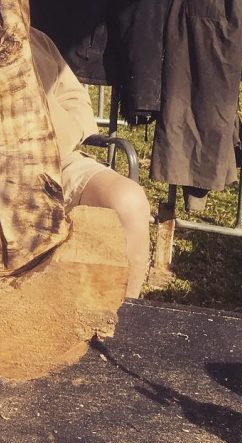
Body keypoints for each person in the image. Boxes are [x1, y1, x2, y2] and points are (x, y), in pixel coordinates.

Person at [30, 28, 152, 297]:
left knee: (129, 200)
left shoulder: (34, 38)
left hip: (58, 161)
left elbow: (77, 101)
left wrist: (60, 132)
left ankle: (121, 319)